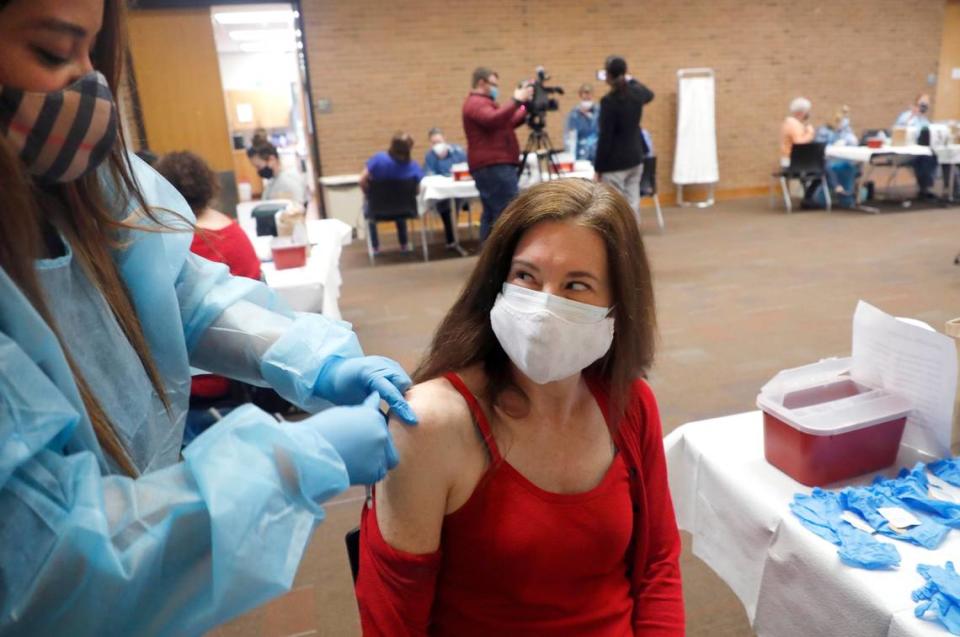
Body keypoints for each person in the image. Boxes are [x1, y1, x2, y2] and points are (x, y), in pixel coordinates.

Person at [0, 1, 418, 634]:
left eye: (95, 51)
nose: (89, 83)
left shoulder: (97, 188)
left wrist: (314, 357)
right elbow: (51, 570)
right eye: (56, 52)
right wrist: (292, 461)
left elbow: (181, 293)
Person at [356, 179, 685, 635]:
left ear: (617, 307)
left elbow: (657, 566)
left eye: (576, 285)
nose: (544, 307)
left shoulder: (629, 406)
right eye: (527, 277)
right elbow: (393, 621)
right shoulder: (430, 424)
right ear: (498, 281)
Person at [155, 150, 266, 441]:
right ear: (209, 185)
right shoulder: (234, 234)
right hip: (236, 375)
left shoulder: (158, 241)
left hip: (177, 384)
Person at [462, 66, 534, 241]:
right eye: (493, 84)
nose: (496, 88)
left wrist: (525, 107)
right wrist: (516, 100)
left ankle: (487, 259)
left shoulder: (485, 103)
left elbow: (507, 121)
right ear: (481, 82)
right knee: (508, 213)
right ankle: (500, 259)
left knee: (492, 213)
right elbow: (494, 119)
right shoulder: (475, 103)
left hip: (494, 164)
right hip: (493, 165)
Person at [595, 56, 654, 223]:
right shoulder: (636, 93)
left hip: (615, 163)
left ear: (608, 75)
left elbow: (605, 137)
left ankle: (620, 242)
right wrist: (630, 78)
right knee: (632, 202)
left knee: (616, 207)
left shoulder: (609, 101)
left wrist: (599, 167)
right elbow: (650, 94)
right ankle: (633, 239)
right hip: (635, 157)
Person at [360, 131, 423, 254]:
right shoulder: (413, 166)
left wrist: (367, 194)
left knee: (369, 208)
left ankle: (375, 247)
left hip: (377, 210)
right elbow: (417, 190)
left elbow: (361, 180)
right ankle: (404, 245)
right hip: (406, 210)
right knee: (400, 203)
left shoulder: (378, 159)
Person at [423, 127, 468, 253]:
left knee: (455, 202)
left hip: (459, 189)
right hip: (442, 192)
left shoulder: (458, 151)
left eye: (439, 141)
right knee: (444, 204)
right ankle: (451, 236)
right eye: (434, 143)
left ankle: (452, 236)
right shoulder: (430, 156)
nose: (437, 145)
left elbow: (466, 166)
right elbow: (428, 174)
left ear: (444, 139)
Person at [894, 94, 938, 199]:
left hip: (921, 150)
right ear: (916, 103)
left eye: (926, 104)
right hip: (905, 153)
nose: (923, 107)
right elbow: (897, 130)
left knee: (932, 157)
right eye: (922, 104)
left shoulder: (925, 121)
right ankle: (925, 188)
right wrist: (911, 117)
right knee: (926, 159)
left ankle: (926, 187)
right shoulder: (906, 115)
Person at [248, 141, 308, 206]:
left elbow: (296, 209)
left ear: (272, 159)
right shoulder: (273, 179)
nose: (257, 170)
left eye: (258, 166)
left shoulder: (288, 181)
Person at [564, 83, 600, 162]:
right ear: (580, 95)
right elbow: (570, 136)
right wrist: (570, 155)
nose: (587, 96)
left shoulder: (599, 111)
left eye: (589, 93)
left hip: (598, 152)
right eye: (584, 93)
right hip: (581, 153)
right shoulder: (574, 114)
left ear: (592, 94)